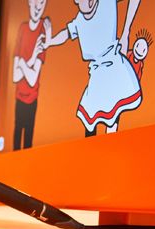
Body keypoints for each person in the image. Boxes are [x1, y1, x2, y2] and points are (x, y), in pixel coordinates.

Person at [45, 0, 142, 136]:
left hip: (114, 68)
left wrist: (126, 32)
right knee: (89, 119)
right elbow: (66, 33)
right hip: (96, 76)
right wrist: (50, 41)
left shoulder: (106, 3)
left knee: (112, 116)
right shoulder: (79, 20)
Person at [12, 0, 50, 151]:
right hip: (19, 98)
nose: (38, 7)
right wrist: (32, 59)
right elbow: (15, 76)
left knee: (28, 144)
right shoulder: (23, 28)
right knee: (16, 143)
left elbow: (32, 79)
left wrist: (22, 62)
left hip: (32, 100)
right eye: (36, 1)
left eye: (43, 2)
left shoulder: (43, 31)